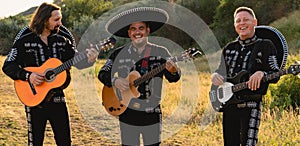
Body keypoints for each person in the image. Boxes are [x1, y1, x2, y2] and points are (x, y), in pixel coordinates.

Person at [2, 2, 98, 146]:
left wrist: (90, 59)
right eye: (56, 20)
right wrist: (29, 76)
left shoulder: (62, 41)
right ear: (44, 19)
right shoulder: (23, 42)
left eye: (60, 19)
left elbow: (78, 62)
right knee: (35, 142)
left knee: (64, 141)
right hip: (34, 100)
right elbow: (8, 66)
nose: (60, 23)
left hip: (58, 99)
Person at [98, 7, 181, 146]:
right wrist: (115, 80)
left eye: (141, 28)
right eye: (133, 29)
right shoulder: (118, 54)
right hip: (127, 112)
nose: (138, 32)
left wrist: (173, 69)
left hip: (152, 113)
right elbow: (103, 73)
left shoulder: (161, 52)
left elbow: (174, 78)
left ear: (148, 30)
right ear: (129, 33)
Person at [211, 7, 281, 146]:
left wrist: (262, 73)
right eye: (238, 21)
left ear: (255, 22)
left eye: (246, 20)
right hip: (229, 106)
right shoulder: (229, 48)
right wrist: (215, 76)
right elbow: (221, 72)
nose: (242, 23)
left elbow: (275, 74)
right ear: (235, 25)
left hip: (251, 105)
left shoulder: (265, 45)